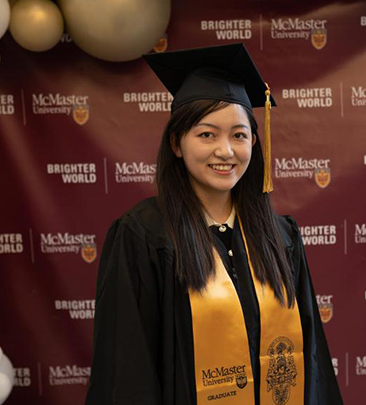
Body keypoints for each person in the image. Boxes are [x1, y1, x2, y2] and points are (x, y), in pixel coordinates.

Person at [85, 43, 342, 405]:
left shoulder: (280, 236)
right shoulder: (144, 234)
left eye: (239, 135)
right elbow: (127, 366)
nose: (226, 151)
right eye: (207, 134)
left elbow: (310, 359)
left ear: (254, 141)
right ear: (177, 142)